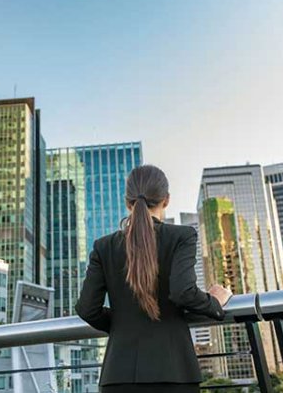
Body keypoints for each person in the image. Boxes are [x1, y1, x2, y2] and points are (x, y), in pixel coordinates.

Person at [76, 164, 233, 393]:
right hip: (174, 372)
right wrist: (214, 303)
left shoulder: (104, 246)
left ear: (127, 202)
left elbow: (87, 308)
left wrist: (124, 322)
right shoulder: (182, 236)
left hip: (118, 375)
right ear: (166, 200)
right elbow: (182, 292)